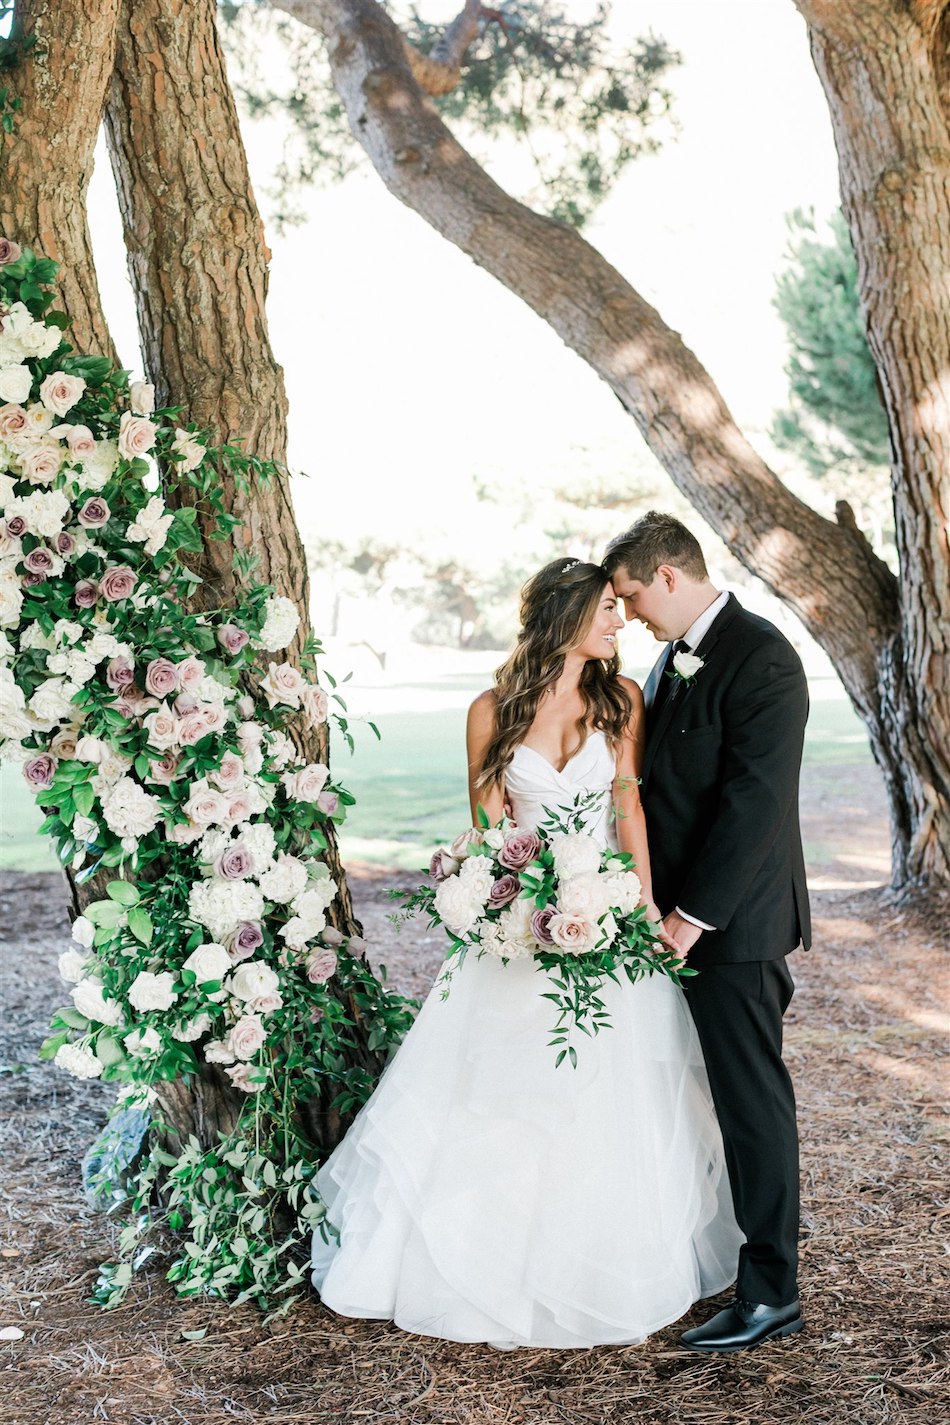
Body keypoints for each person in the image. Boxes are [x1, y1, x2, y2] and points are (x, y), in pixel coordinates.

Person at [310, 558, 743, 1349]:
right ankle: (484, 1258)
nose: (619, 622)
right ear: (566, 617)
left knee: (611, 1097)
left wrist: (638, 897)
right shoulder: (490, 710)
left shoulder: (621, 700)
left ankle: (599, 1260)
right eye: (607, 610)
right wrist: (506, 900)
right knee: (497, 1100)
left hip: (603, 921)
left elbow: (628, 809)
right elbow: (484, 833)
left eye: (621, 608)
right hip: (517, 932)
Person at [604, 512, 810, 1353]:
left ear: (667, 578)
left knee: (751, 1102)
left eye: (628, 595)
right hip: (670, 926)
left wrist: (689, 920)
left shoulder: (762, 656)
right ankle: (709, 1256)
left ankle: (773, 1292)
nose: (627, 614)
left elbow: (754, 807)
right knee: (690, 1099)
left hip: (732, 929)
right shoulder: (667, 658)